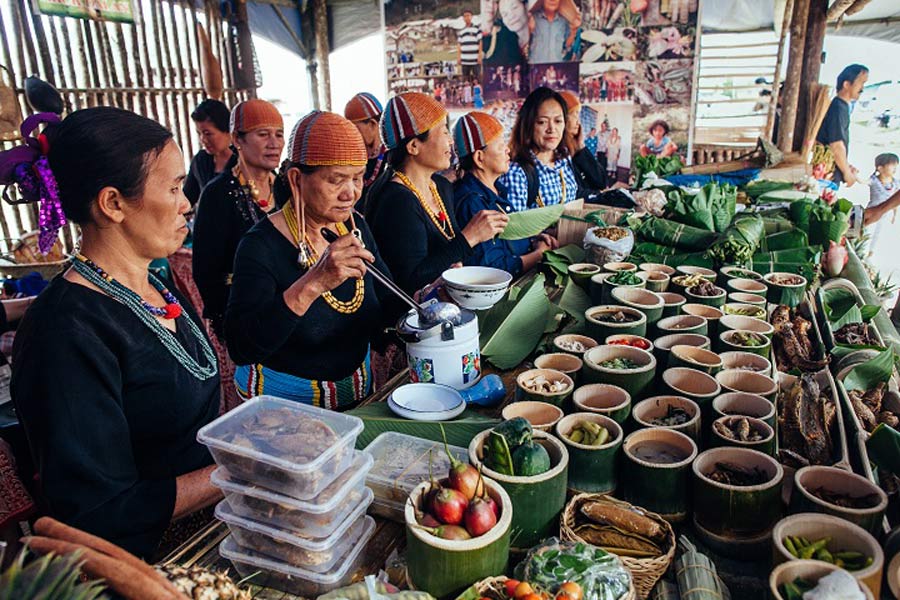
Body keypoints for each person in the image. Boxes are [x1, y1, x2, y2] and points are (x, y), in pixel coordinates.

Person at [2, 108, 221, 559]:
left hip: (216, 528)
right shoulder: (64, 334)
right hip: (151, 565)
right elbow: (99, 512)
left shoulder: (153, 286)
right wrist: (240, 469)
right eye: (175, 187)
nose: (187, 202)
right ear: (114, 204)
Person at [226, 112, 399, 408]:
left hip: (357, 395)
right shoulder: (260, 245)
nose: (351, 193)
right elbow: (242, 347)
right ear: (296, 178)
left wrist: (428, 298)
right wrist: (313, 283)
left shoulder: (355, 227)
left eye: (357, 178)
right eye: (336, 180)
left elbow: (385, 300)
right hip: (284, 410)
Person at [367, 92, 507, 294]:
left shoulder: (441, 186)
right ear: (414, 146)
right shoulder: (398, 201)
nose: (451, 142)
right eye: (443, 132)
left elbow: (449, 255)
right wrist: (469, 237)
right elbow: (410, 280)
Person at [192, 99, 285, 336]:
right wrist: (228, 324)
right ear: (237, 139)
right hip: (245, 320)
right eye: (263, 134)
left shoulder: (287, 189)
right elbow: (206, 271)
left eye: (279, 134)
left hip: (290, 313)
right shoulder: (218, 194)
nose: (274, 144)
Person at [454, 111, 557, 277]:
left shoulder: (496, 190)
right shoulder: (472, 203)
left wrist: (533, 241)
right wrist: (539, 255)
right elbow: (493, 270)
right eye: (500, 145)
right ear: (479, 158)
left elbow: (505, 243)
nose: (507, 150)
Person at [499, 86, 579, 211]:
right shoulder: (516, 172)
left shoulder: (564, 160)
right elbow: (516, 227)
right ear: (528, 125)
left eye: (558, 121)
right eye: (542, 122)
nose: (551, 129)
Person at [814, 64, 868, 187]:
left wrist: (846, 166)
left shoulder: (842, 107)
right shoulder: (838, 108)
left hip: (827, 173)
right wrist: (846, 172)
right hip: (825, 177)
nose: (862, 88)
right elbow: (836, 145)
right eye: (861, 83)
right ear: (846, 84)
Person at [183, 99, 236, 207]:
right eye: (200, 134)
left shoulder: (244, 160)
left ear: (227, 130)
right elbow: (188, 199)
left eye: (208, 133)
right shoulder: (200, 160)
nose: (203, 139)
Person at [559, 90, 608, 193]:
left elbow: (601, 181)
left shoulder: (576, 147)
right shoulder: (559, 153)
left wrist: (581, 146)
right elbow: (576, 192)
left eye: (578, 115)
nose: (578, 122)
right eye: (574, 115)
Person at [344, 92, 386, 210]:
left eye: (354, 129)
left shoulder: (393, 159)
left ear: (372, 124)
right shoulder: (351, 158)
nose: (351, 135)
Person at [864, 153, 899, 256]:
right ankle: (863, 253)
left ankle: (870, 255)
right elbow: (864, 182)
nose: (895, 168)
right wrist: (853, 175)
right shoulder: (874, 180)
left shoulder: (896, 183)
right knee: (868, 233)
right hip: (873, 211)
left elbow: (896, 200)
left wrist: (894, 214)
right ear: (880, 168)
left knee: (879, 236)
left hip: (886, 213)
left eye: (896, 166)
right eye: (892, 165)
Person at [458, 10, 482, 80]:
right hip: (465, 59)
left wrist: (479, 56)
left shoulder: (477, 29)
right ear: (463, 18)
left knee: (477, 79)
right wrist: (459, 57)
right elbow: (459, 44)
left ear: (471, 17)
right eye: (465, 16)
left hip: (475, 59)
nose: (467, 17)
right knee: (466, 80)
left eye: (468, 15)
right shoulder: (461, 31)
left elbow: (480, 42)